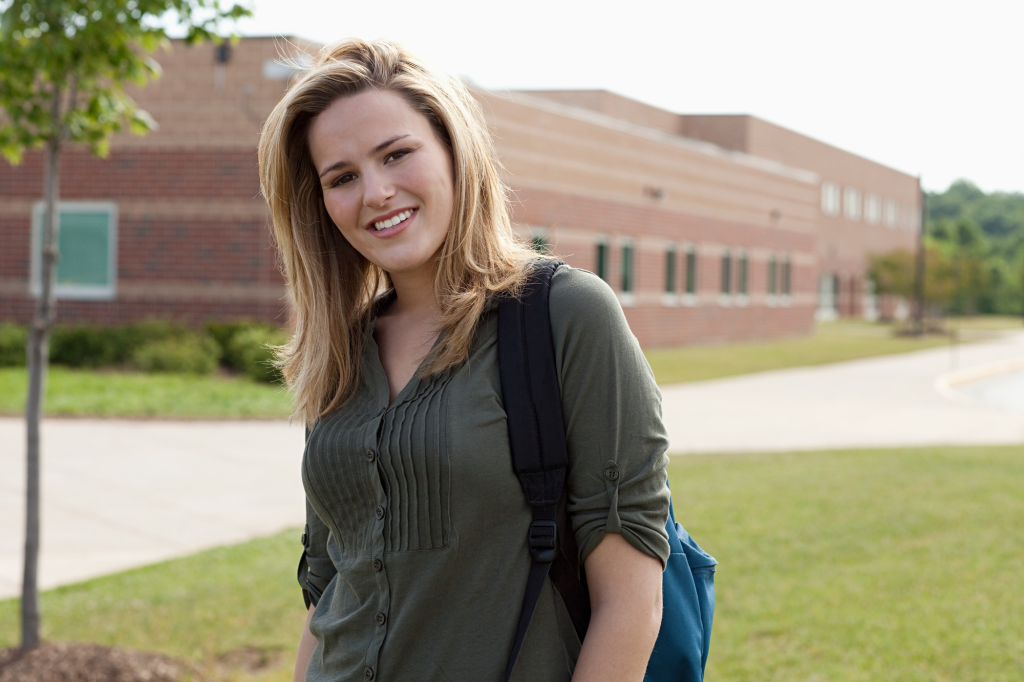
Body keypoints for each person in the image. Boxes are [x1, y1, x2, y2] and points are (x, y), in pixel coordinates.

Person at [258, 38, 672, 682]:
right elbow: (331, 588)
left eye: (396, 154)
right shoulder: (340, 352)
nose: (375, 192)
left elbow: (632, 602)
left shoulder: (564, 314)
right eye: (341, 177)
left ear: (454, 150)